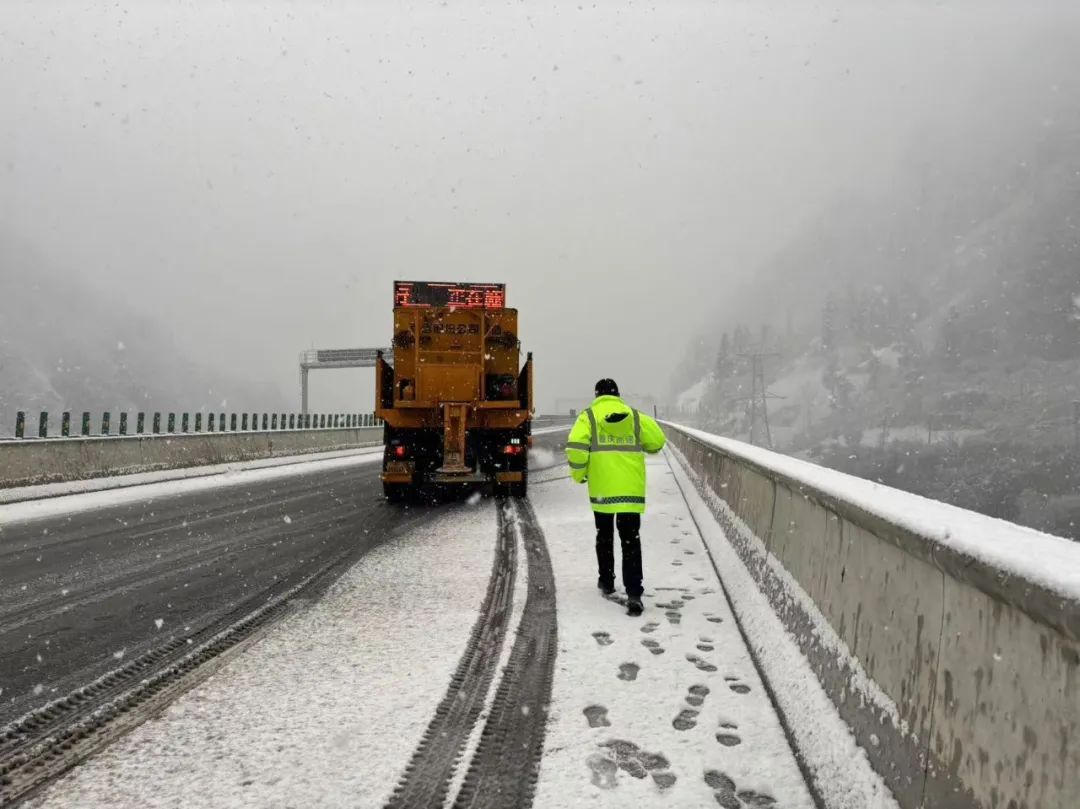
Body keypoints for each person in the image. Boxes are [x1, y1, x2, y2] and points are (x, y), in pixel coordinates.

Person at [565, 379, 666, 616]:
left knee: (605, 535)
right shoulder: (635, 416)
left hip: (602, 491)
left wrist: (579, 475)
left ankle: (607, 581)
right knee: (631, 540)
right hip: (630, 492)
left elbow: (575, 448)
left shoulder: (588, 417)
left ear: (597, 394)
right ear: (618, 394)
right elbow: (658, 442)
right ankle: (633, 592)